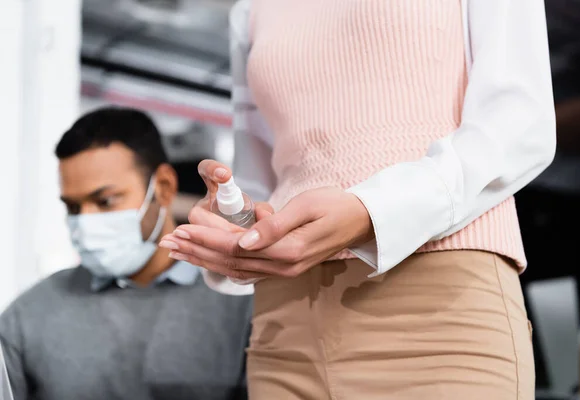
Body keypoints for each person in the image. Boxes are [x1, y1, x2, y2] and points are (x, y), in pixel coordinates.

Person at [160, 0, 556, 398]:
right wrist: (238, 226)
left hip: (436, 304)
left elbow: (520, 123)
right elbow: (261, 179)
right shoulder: (248, 10)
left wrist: (371, 211)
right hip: (284, 325)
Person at [0, 107, 252, 400]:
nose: (85, 221)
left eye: (105, 201)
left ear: (164, 188)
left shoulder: (240, 306)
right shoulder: (30, 316)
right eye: (73, 207)